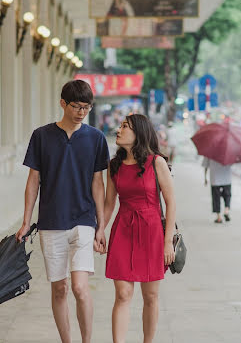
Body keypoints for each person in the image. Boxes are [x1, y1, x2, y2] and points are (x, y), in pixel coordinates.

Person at [15, 80, 110, 343]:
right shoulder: (42, 136)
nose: (81, 112)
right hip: (51, 221)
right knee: (59, 289)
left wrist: (101, 226)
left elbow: (97, 183)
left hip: (83, 220)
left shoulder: (96, 138)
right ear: (62, 104)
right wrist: (26, 222)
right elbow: (34, 179)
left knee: (80, 288)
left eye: (86, 107)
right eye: (77, 106)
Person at [102, 114, 176, 343]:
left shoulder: (156, 163)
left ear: (138, 133)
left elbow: (171, 202)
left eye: (125, 126)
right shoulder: (114, 166)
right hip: (123, 229)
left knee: (151, 296)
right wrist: (99, 231)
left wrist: (167, 242)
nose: (119, 129)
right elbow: (109, 203)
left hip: (152, 232)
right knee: (123, 294)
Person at [202, 156, 232, 223]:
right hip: (226, 177)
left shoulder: (209, 150)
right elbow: (232, 162)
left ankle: (218, 217)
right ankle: (226, 210)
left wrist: (205, 177)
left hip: (215, 178)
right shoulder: (229, 148)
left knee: (216, 197)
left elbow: (205, 165)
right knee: (227, 195)